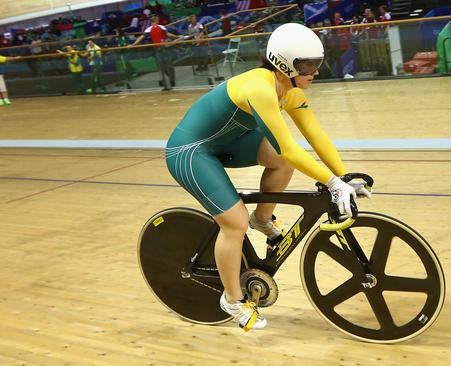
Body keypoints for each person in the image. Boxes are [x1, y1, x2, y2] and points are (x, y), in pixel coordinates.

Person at [164, 23, 371, 331]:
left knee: (281, 161)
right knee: (234, 222)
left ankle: (263, 220)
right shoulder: (260, 87)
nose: (315, 70)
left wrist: (342, 176)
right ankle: (232, 300)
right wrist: (331, 183)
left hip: (225, 144)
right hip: (189, 152)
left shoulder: (291, 92)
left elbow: (315, 135)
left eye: (318, 62)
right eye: (308, 65)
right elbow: (289, 147)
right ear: (285, 65)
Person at [132, 15, 180, 90]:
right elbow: (168, 34)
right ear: (156, 20)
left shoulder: (155, 28)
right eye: (157, 19)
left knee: (165, 66)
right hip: (160, 49)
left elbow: (141, 37)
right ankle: (169, 81)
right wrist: (177, 37)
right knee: (165, 66)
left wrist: (134, 44)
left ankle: (170, 81)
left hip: (161, 49)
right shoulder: (154, 28)